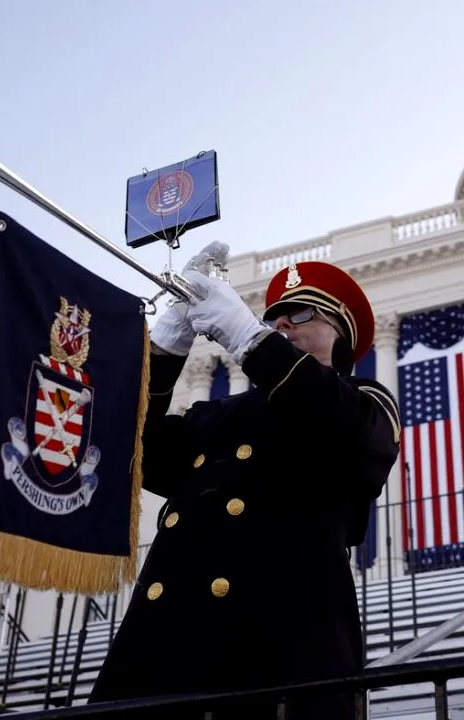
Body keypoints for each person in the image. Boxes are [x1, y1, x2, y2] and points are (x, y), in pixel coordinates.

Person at [88, 252, 401, 719]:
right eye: (270, 318)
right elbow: (132, 450)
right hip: (160, 656)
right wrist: (164, 353)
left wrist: (251, 340)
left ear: (340, 332)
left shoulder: (362, 402)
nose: (281, 324)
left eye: (299, 313)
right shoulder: (219, 414)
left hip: (273, 660)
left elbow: (344, 428)